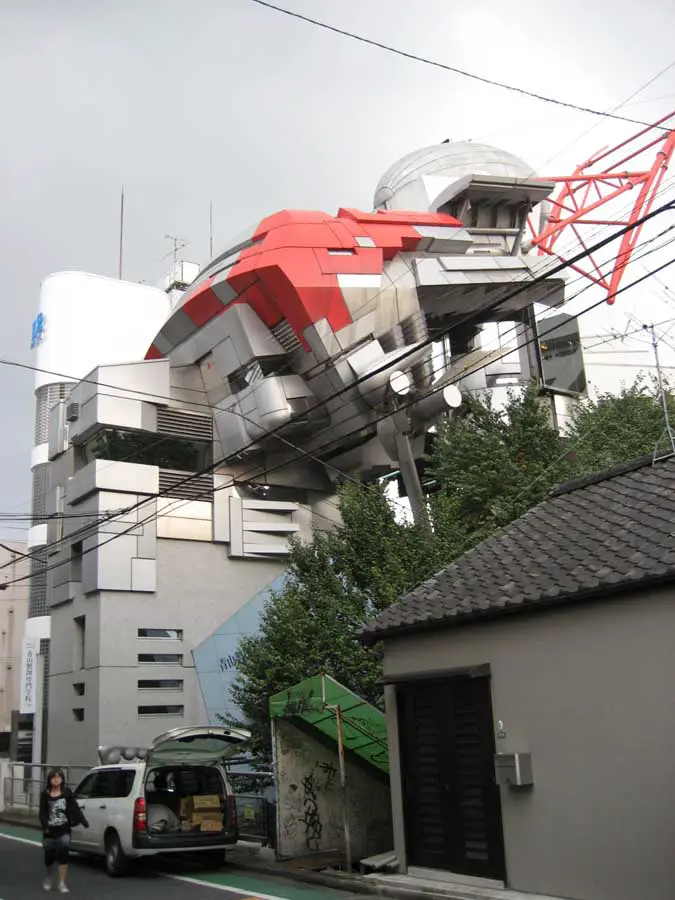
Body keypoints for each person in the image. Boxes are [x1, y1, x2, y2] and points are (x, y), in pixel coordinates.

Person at [38, 768, 89, 893]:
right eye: (53, 777)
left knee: (63, 855)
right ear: (49, 780)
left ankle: (62, 882)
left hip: (64, 829)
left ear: (62, 779)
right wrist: (45, 826)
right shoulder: (45, 794)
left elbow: (75, 808)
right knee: (49, 858)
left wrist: (83, 821)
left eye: (59, 777)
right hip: (49, 830)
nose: (56, 779)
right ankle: (49, 877)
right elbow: (42, 813)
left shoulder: (67, 793)